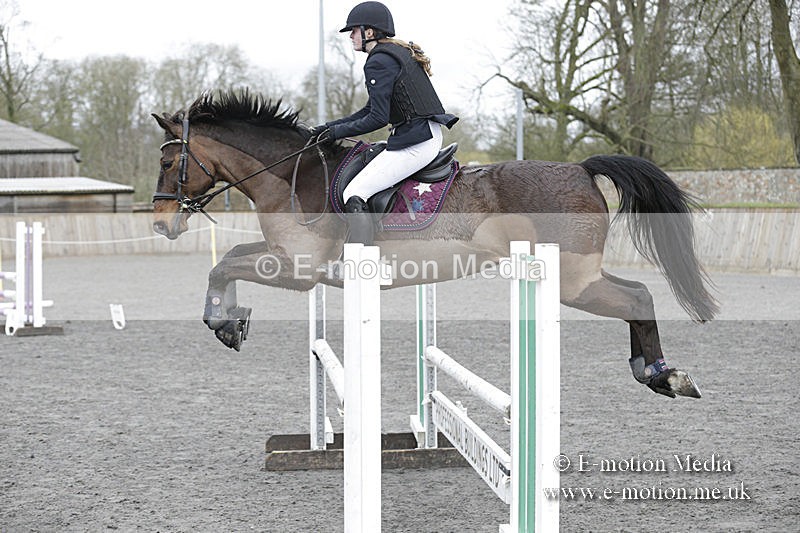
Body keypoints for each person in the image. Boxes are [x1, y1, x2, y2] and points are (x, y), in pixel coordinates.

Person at [310, 1, 458, 245]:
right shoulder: (392, 53)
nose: (351, 37)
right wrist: (329, 127)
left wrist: (336, 132)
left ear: (369, 32)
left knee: (354, 193)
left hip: (417, 142)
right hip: (421, 134)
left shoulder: (379, 60)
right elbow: (370, 109)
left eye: (354, 31)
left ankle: (364, 262)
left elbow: (377, 118)